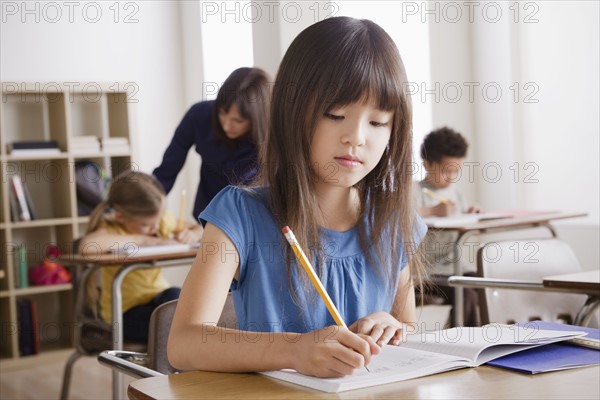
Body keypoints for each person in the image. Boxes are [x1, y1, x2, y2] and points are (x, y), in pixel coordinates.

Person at [168, 16, 428, 378]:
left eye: (378, 122)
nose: (356, 136)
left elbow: (409, 327)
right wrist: (295, 350)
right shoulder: (240, 215)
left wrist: (391, 327)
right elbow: (184, 344)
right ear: (292, 112)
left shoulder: (394, 223)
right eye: (335, 114)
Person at [78, 170, 203, 341]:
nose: (155, 228)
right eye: (146, 225)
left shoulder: (159, 222)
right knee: (170, 324)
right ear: (120, 216)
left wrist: (193, 234)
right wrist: (143, 240)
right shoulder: (113, 229)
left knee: (176, 296)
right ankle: (182, 360)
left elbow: (201, 227)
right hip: (124, 314)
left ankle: (185, 356)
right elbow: (86, 246)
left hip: (158, 298)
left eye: (158, 221)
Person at [153, 67, 271, 222]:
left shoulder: (271, 137)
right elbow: (166, 171)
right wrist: (146, 208)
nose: (226, 126)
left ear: (257, 119)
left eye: (238, 121)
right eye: (222, 113)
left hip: (249, 220)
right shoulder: (200, 115)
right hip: (203, 214)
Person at [414, 126, 480, 326]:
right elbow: (400, 215)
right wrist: (433, 211)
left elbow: (458, 217)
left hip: (455, 265)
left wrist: (470, 212)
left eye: (456, 170)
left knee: (486, 281)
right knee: (466, 294)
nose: (451, 176)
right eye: (446, 171)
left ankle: (483, 339)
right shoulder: (414, 190)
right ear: (427, 164)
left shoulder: (455, 192)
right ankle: (463, 342)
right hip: (427, 273)